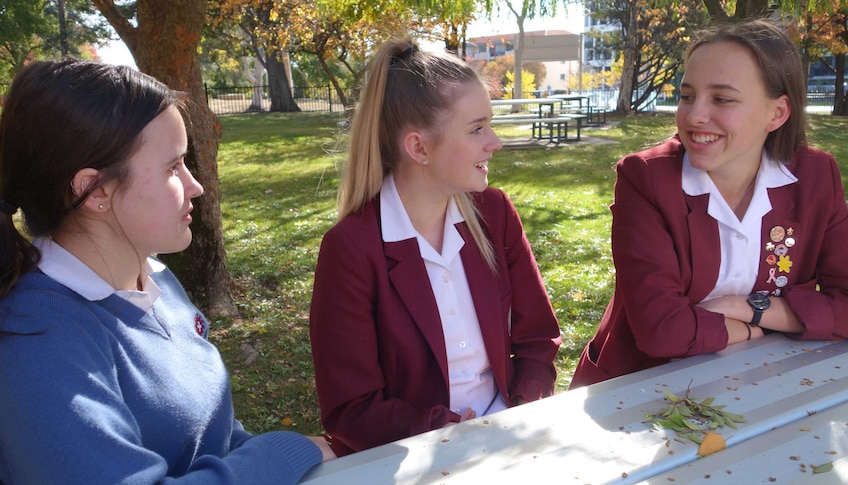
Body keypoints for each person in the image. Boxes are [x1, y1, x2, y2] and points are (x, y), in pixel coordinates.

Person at [0, 59, 334, 484]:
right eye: (173, 167)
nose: (197, 185)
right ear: (94, 190)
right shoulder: (35, 338)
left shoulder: (157, 280)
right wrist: (281, 453)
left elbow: (210, 436)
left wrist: (267, 454)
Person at [570, 19, 848, 389]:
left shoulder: (816, 177)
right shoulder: (646, 179)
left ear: (777, 113)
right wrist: (754, 332)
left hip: (771, 383)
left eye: (721, 99)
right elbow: (662, 331)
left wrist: (749, 309)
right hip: (640, 390)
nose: (694, 116)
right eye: (687, 95)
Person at [309, 38, 562, 456]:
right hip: (414, 458)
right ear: (419, 148)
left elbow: (537, 338)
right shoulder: (352, 249)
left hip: (509, 440)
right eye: (477, 128)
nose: (494, 142)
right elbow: (352, 409)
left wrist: (520, 414)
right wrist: (453, 434)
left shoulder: (493, 214)